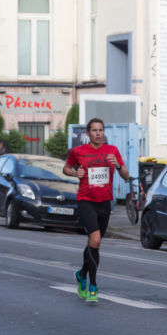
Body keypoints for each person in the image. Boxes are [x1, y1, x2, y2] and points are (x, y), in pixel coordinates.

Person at [63, 118, 130, 305]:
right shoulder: (78, 151)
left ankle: (81, 274)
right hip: (86, 201)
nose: (98, 133)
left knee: (94, 243)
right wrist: (75, 173)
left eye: (101, 130)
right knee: (96, 238)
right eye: (94, 130)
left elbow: (126, 176)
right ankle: (92, 286)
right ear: (88, 133)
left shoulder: (112, 151)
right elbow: (66, 168)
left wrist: (117, 164)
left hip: (104, 202)